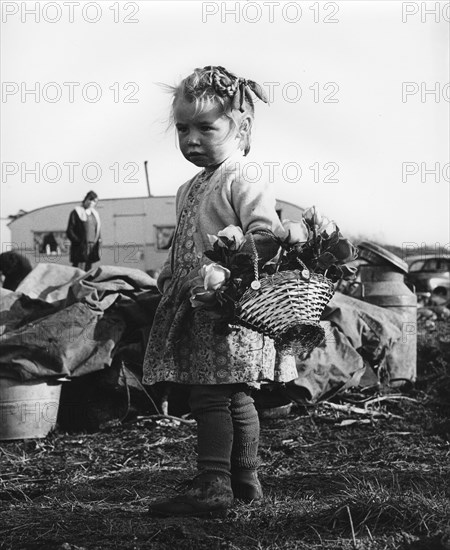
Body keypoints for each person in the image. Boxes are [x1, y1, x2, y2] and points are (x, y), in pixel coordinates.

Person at [143, 65, 298, 518]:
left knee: (212, 395)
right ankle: (244, 482)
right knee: (234, 395)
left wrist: (228, 272)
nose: (191, 138)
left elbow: (265, 234)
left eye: (205, 127)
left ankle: (216, 483)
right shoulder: (188, 187)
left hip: (228, 308)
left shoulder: (241, 177)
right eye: (183, 127)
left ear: (241, 127)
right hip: (197, 305)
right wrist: (171, 275)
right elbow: (185, 243)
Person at [66, 191, 101, 271]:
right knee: (78, 270)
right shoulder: (76, 212)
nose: (91, 202)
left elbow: (97, 230)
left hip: (92, 246)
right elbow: (70, 231)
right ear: (85, 199)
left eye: (94, 201)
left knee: (88, 269)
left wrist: (98, 242)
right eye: (90, 199)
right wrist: (78, 241)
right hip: (80, 247)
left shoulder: (95, 214)